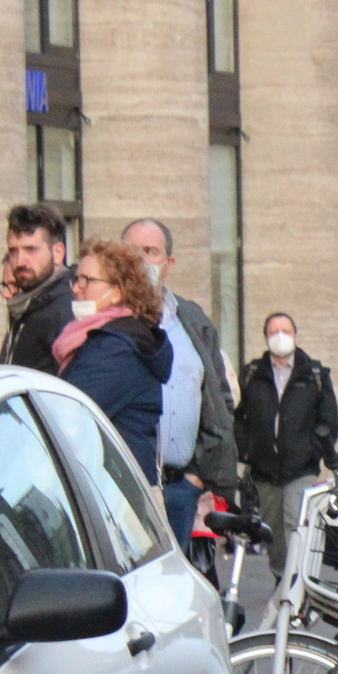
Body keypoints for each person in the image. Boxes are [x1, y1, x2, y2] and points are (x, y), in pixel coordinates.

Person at [121, 218, 242, 544]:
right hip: (126, 483)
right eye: (133, 252)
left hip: (181, 487)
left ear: (169, 263)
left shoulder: (192, 320)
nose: (142, 261)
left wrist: (197, 477)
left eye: (151, 251)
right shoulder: (109, 318)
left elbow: (220, 398)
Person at [233, 313, 338, 575]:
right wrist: (247, 450)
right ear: (265, 337)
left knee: (296, 523)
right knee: (274, 530)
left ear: (295, 335)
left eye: (285, 330)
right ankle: (280, 576)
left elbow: (329, 420)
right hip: (264, 470)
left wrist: (313, 451)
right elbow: (237, 418)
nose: (280, 336)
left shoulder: (314, 374)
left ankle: (296, 580)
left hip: (300, 468)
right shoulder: (252, 374)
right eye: (273, 331)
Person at [55, 240, 173, 484]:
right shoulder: (106, 338)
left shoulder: (117, 347)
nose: (77, 288)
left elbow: (68, 416)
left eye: (88, 280)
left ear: (118, 292)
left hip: (114, 490)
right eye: (76, 279)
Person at [0, 203, 76, 373]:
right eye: (13, 251)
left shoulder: (65, 310)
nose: (20, 261)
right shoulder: (26, 306)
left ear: (58, 253)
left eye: (30, 250)